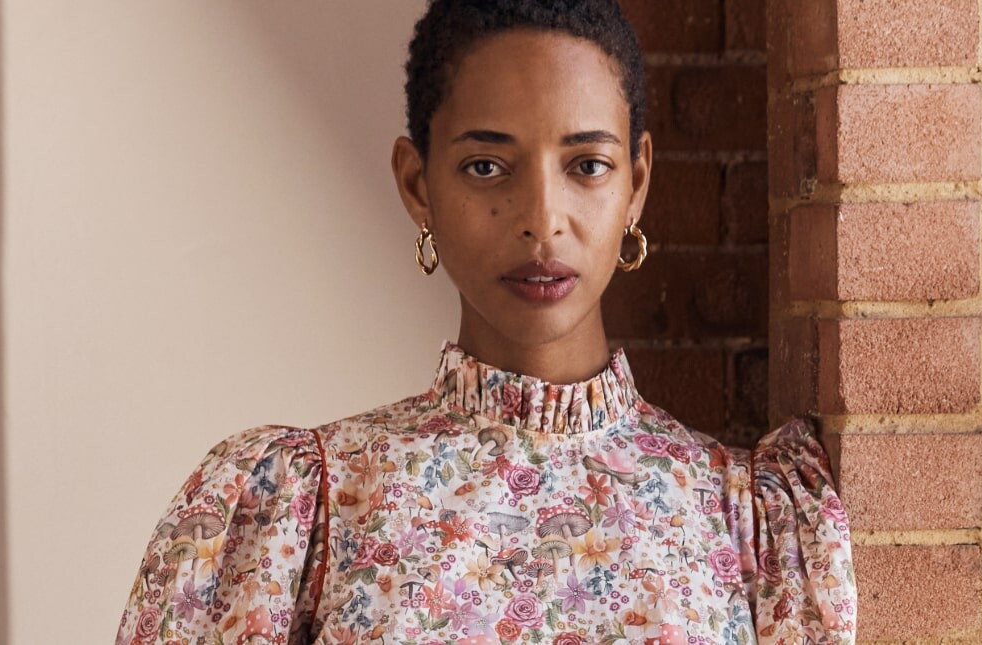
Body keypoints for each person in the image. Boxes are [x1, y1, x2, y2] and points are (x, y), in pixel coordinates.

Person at [116, 1, 856, 643]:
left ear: (638, 182)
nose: (541, 221)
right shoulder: (305, 512)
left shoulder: (751, 522)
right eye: (485, 167)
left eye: (587, 165)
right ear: (417, 183)